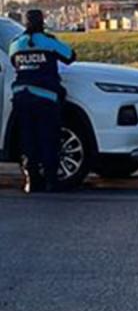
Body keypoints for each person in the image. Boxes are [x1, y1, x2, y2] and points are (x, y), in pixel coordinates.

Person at [9, 10, 76, 193]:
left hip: (21, 97)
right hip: (46, 98)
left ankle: (31, 181)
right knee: (49, 139)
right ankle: (51, 181)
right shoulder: (48, 41)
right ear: (42, 21)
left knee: (28, 139)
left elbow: (13, 61)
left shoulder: (16, 44)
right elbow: (70, 56)